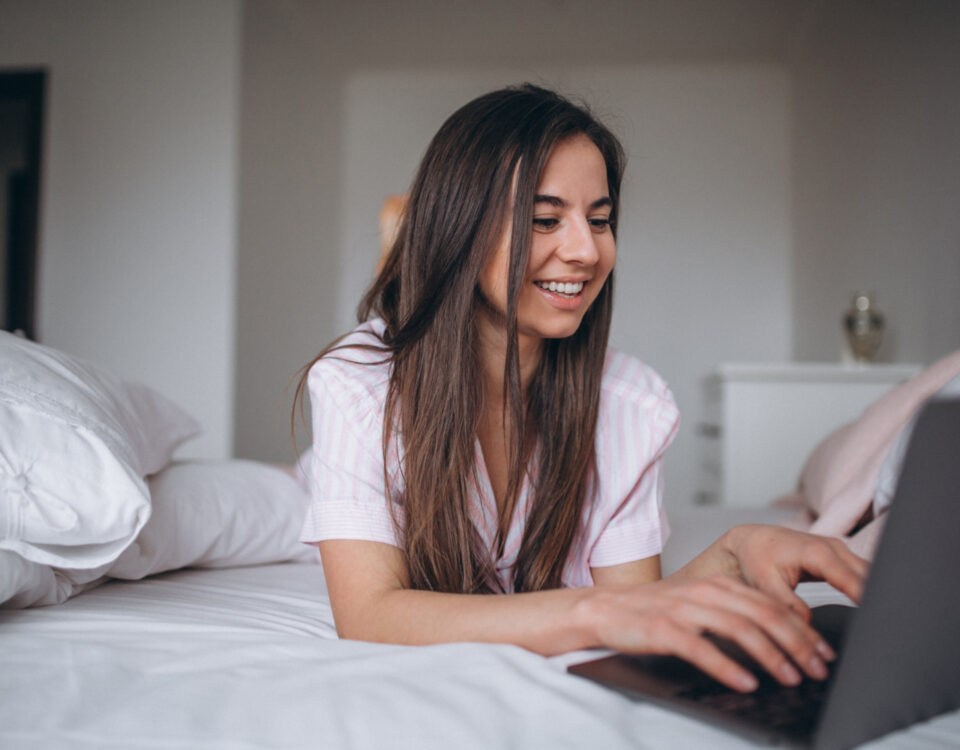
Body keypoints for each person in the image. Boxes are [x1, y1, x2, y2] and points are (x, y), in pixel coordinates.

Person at [294, 84, 868, 694]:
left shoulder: (630, 405)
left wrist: (732, 553)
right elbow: (369, 614)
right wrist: (585, 611)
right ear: (459, 228)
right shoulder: (359, 383)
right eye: (545, 220)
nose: (586, 250)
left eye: (600, 220)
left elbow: (638, 610)